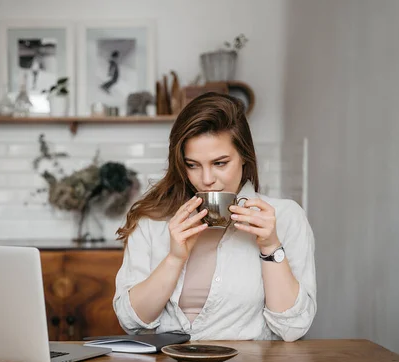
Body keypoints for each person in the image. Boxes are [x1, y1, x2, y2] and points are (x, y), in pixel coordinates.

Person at [113, 92, 316, 342]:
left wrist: (270, 246)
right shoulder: (153, 221)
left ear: (244, 157)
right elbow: (131, 322)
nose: (207, 179)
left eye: (220, 163)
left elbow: (293, 328)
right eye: (193, 165)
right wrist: (175, 258)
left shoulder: (286, 217)